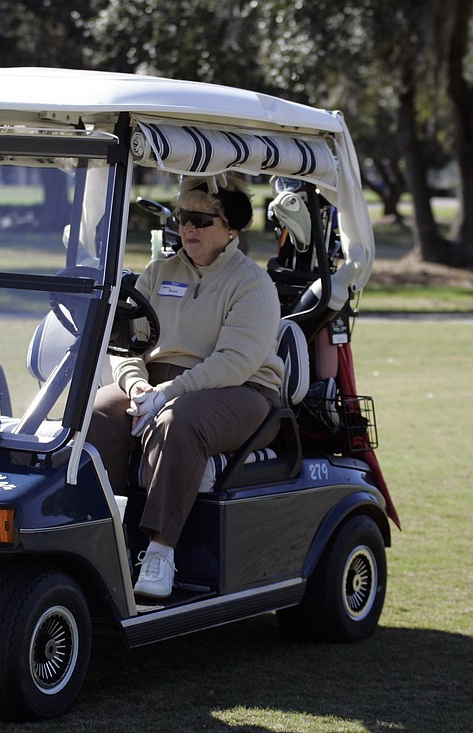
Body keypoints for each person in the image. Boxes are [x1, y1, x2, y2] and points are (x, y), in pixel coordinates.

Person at [87, 175, 284, 599]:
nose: (187, 228)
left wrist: (168, 395)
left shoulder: (251, 283)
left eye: (200, 219)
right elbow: (126, 344)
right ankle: (110, 537)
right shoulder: (159, 273)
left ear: (230, 228)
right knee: (100, 409)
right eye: (182, 218)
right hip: (160, 387)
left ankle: (161, 549)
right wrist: (138, 388)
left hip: (240, 394)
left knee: (179, 422)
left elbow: (235, 362)